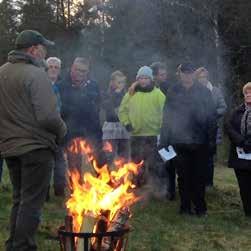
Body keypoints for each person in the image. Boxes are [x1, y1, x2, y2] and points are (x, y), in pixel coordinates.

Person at [0, 30, 67, 251]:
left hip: (11, 148)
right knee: (31, 203)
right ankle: (23, 246)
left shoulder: (2, 72)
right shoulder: (36, 74)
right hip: (36, 148)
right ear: (33, 50)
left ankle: (13, 244)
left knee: (20, 199)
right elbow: (48, 116)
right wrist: (62, 130)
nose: (45, 53)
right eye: (43, 48)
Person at [160, 63, 217, 216]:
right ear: (180, 74)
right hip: (179, 140)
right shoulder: (173, 90)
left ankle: (200, 208)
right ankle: (185, 207)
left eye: (190, 72)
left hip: (200, 141)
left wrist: (212, 141)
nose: (187, 75)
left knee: (199, 176)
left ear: (194, 74)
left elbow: (212, 117)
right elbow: (167, 116)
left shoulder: (204, 91)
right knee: (183, 177)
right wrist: (164, 140)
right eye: (184, 72)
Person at [119, 66, 166, 186]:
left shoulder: (158, 94)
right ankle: (137, 185)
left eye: (146, 78)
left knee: (153, 162)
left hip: (153, 134)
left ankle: (155, 187)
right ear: (137, 79)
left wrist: (162, 128)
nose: (143, 80)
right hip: (136, 134)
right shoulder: (131, 94)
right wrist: (126, 123)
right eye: (141, 78)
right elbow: (122, 110)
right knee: (136, 162)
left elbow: (165, 112)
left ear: (151, 79)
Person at [58, 57, 103, 173]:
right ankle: (75, 189)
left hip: (92, 131)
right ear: (72, 68)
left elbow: (97, 106)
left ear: (87, 72)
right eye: (77, 70)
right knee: (74, 166)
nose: (80, 73)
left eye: (83, 71)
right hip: (71, 132)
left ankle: (104, 188)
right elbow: (61, 110)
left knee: (100, 162)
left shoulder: (93, 85)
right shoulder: (62, 86)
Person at [195, 67, 227, 187]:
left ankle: (209, 184)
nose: (203, 79)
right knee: (197, 158)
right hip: (196, 130)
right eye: (200, 77)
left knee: (209, 157)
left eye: (205, 77)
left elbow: (223, 107)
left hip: (212, 129)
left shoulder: (215, 91)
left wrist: (213, 114)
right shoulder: (193, 91)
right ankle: (198, 182)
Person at [225, 82, 251, 217]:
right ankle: (248, 211)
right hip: (240, 154)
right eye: (246, 92)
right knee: (244, 185)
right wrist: (240, 140)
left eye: (250, 92)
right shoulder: (237, 111)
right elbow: (228, 127)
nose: (248, 95)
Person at [46, 57, 66, 197]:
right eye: (50, 67)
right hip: (44, 129)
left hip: (58, 129)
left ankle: (59, 191)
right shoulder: (40, 84)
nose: (53, 69)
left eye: (56, 67)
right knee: (45, 162)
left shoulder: (62, 87)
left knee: (59, 161)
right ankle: (44, 192)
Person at [102, 71, 130, 163]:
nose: (120, 85)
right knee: (109, 155)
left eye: (122, 82)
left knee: (124, 156)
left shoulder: (127, 95)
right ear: (112, 82)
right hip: (111, 127)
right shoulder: (106, 94)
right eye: (118, 82)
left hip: (123, 126)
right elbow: (107, 107)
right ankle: (108, 175)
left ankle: (122, 176)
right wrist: (115, 94)